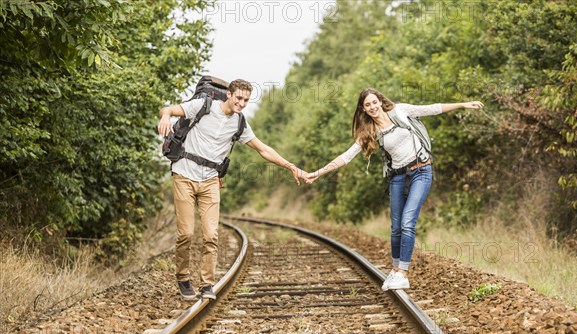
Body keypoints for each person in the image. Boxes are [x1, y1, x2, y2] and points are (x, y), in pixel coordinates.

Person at [306, 88, 484, 290]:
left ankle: (403, 273)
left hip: (421, 171)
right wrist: (317, 173)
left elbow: (432, 109)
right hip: (398, 177)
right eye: (367, 105)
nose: (372, 107)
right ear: (363, 109)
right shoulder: (370, 131)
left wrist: (462, 104)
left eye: (374, 102)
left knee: (408, 222)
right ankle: (395, 269)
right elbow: (346, 156)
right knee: (396, 226)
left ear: (380, 101)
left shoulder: (401, 111)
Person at [158, 79, 309, 300]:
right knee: (187, 234)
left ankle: (207, 284)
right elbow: (169, 109)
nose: (241, 103)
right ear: (228, 94)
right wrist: (165, 116)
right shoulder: (203, 106)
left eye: (246, 100)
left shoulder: (239, 123)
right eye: (238, 98)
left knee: (211, 235)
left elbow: (263, 149)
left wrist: (290, 166)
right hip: (184, 175)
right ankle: (183, 277)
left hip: (210, 180)